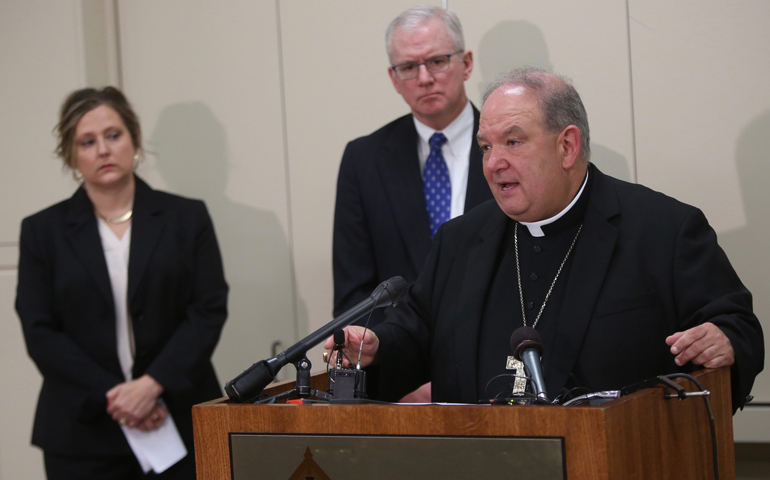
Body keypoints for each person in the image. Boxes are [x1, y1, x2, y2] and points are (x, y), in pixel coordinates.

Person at [326, 67, 764, 412]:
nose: (494, 163)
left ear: (567, 146)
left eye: (513, 142)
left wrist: (725, 339)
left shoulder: (664, 229)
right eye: (485, 147)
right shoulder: (460, 240)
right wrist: (377, 347)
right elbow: (417, 332)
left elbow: (736, 326)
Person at [16, 87, 228, 479]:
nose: (103, 150)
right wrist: (116, 396)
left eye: (113, 135)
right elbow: (40, 330)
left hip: (177, 417)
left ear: (133, 139)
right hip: (83, 433)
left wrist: (151, 386)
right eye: (87, 141)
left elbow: (208, 309)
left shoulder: (187, 218)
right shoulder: (42, 232)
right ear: (71, 155)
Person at [332, 5, 493, 327]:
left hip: (496, 360)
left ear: (467, 63)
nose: (424, 78)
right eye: (408, 66)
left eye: (437, 61)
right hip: (400, 365)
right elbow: (355, 297)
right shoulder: (364, 160)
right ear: (393, 78)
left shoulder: (509, 147)